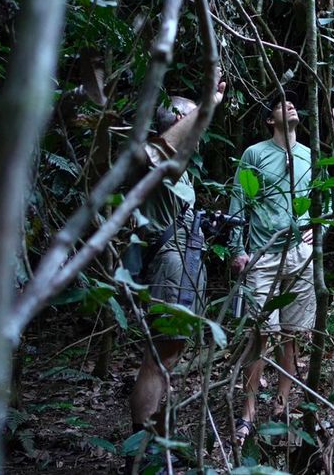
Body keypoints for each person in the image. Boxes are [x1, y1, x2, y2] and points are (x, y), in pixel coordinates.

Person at [127, 82, 224, 466]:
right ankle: (144, 445)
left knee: (168, 354)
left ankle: (153, 440)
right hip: (169, 264)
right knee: (160, 355)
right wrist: (209, 104)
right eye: (189, 118)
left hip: (183, 263)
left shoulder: (179, 170)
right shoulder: (157, 159)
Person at [228, 95, 315, 444]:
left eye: (292, 103)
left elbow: (319, 196)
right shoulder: (255, 154)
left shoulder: (309, 154)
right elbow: (239, 200)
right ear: (269, 119)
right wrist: (237, 249)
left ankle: (281, 404)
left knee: (292, 335)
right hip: (263, 255)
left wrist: (315, 226)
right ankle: (248, 412)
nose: (289, 105)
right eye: (280, 104)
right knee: (261, 335)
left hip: (299, 254)